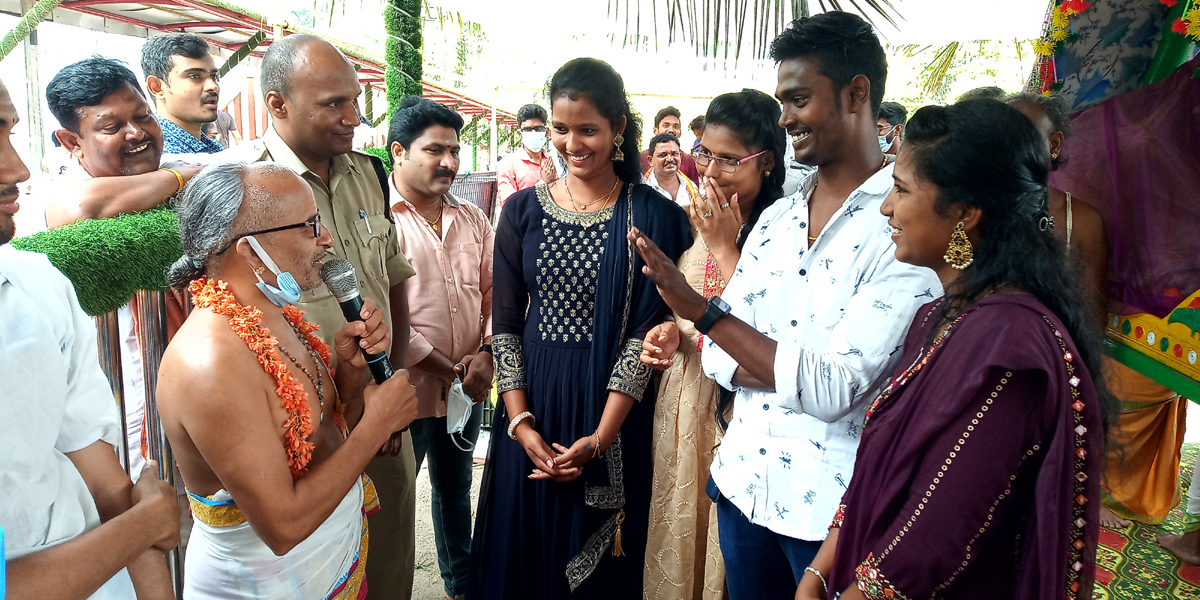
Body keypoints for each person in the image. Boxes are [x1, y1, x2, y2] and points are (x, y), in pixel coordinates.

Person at [632, 13, 940, 598]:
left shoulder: (903, 226)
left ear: (857, 94)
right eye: (781, 101)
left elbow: (836, 391)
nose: (784, 119)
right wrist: (777, 361)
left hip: (830, 516)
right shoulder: (775, 222)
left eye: (798, 99)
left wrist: (707, 316)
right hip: (741, 486)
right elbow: (720, 363)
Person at [795, 99, 1112, 600]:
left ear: (965, 213)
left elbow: (935, 537)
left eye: (901, 190)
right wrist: (816, 574)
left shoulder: (1011, 348)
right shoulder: (938, 316)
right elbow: (879, 470)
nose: (886, 207)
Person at [468, 57, 691, 599]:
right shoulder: (521, 212)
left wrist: (599, 437)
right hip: (532, 405)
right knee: (525, 554)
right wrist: (520, 424)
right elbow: (506, 325)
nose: (571, 143)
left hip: (614, 415)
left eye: (587, 129)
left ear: (618, 129)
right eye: (560, 129)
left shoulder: (657, 217)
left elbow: (649, 329)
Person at [157, 161, 419, 598]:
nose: (326, 239)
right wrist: (378, 425)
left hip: (331, 566)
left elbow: (328, 436)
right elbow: (283, 526)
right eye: (310, 225)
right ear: (248, 250)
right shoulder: (208, 363)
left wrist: (351, 376)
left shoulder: (277, 317)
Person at [228, 33, 419, 600]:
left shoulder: (369, 173)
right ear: (277, 104)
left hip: (378, 410)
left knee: (386, 563)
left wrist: (392, 381)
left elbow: (391, 281)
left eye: (356, 100)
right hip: (300, 426)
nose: (353, 118)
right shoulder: (240, 186)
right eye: (333, 103)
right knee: (310, 572)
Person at [0, 76, 181, 600]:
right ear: (71, 142)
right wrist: (144, 525)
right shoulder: (73, 210)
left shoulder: (37, 285)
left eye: (11, 133)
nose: (18, 170)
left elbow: (110, 486)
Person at [639, 89, 787, 600]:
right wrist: (668, 333)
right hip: (683, 402)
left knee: (733, 551)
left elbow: (769, 334)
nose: (710, 171)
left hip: (739, 409)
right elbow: (686, 308)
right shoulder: (696, 218)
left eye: (728, 159)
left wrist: (726, 250)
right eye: (704, 153)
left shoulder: (783, 230)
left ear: (765, 161)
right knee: (680, 525)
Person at [1006, 92, 1172, 532]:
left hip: (1050, 368)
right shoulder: (977, 211)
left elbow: (1088, 316)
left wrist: (1072, 383)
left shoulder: (1083, 221)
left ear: (1054, 145)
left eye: (1025, 136)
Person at [43, 56, 201, 480]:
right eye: (112, 127)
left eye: (143, 116)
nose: (137, 134)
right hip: (124, 410)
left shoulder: (163, 180)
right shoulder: (62, 195)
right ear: (71, 141)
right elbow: (77, 207)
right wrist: (183, 176)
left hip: (197, 396)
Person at [385, 96, 494, 600]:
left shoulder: (472, 218)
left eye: (454, 150)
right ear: (398, 152)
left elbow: (497, 292)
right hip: (404, 391)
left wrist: (485, 355)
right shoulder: (378, 222)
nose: (449, 162)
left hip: (467, 388)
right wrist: (451, 367)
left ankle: (462, 586)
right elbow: (382, 315)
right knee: (393, 501)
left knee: (455, 492)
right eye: (435, 150)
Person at [141, 33, 223, 155]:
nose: (213, 86)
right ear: (157, 87)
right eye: (194, 76)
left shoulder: (211, 146)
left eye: (213, 76)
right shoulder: (154, 155)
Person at [496, 104, 557, 207]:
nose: (533, 133)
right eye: (528, 129)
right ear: (520, 134)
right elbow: (509, 205)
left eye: (538, 128)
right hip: (525, 222)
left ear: (546, 132)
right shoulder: (508, 164)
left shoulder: (555, 161)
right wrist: (542, 183)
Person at [640, 106, 700, 181]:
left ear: (680, 132)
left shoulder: (689, 160)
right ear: (655, 130)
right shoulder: (641, 158)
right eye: (666, 126)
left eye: (676, 126)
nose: (671, 130)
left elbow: (694, 190)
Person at [644, 132, 699, 207]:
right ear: (650, 160)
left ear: (680, 156)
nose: (670, 159)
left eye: (674, 154)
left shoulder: (692, 188)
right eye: (662, 155)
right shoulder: (643, 189)